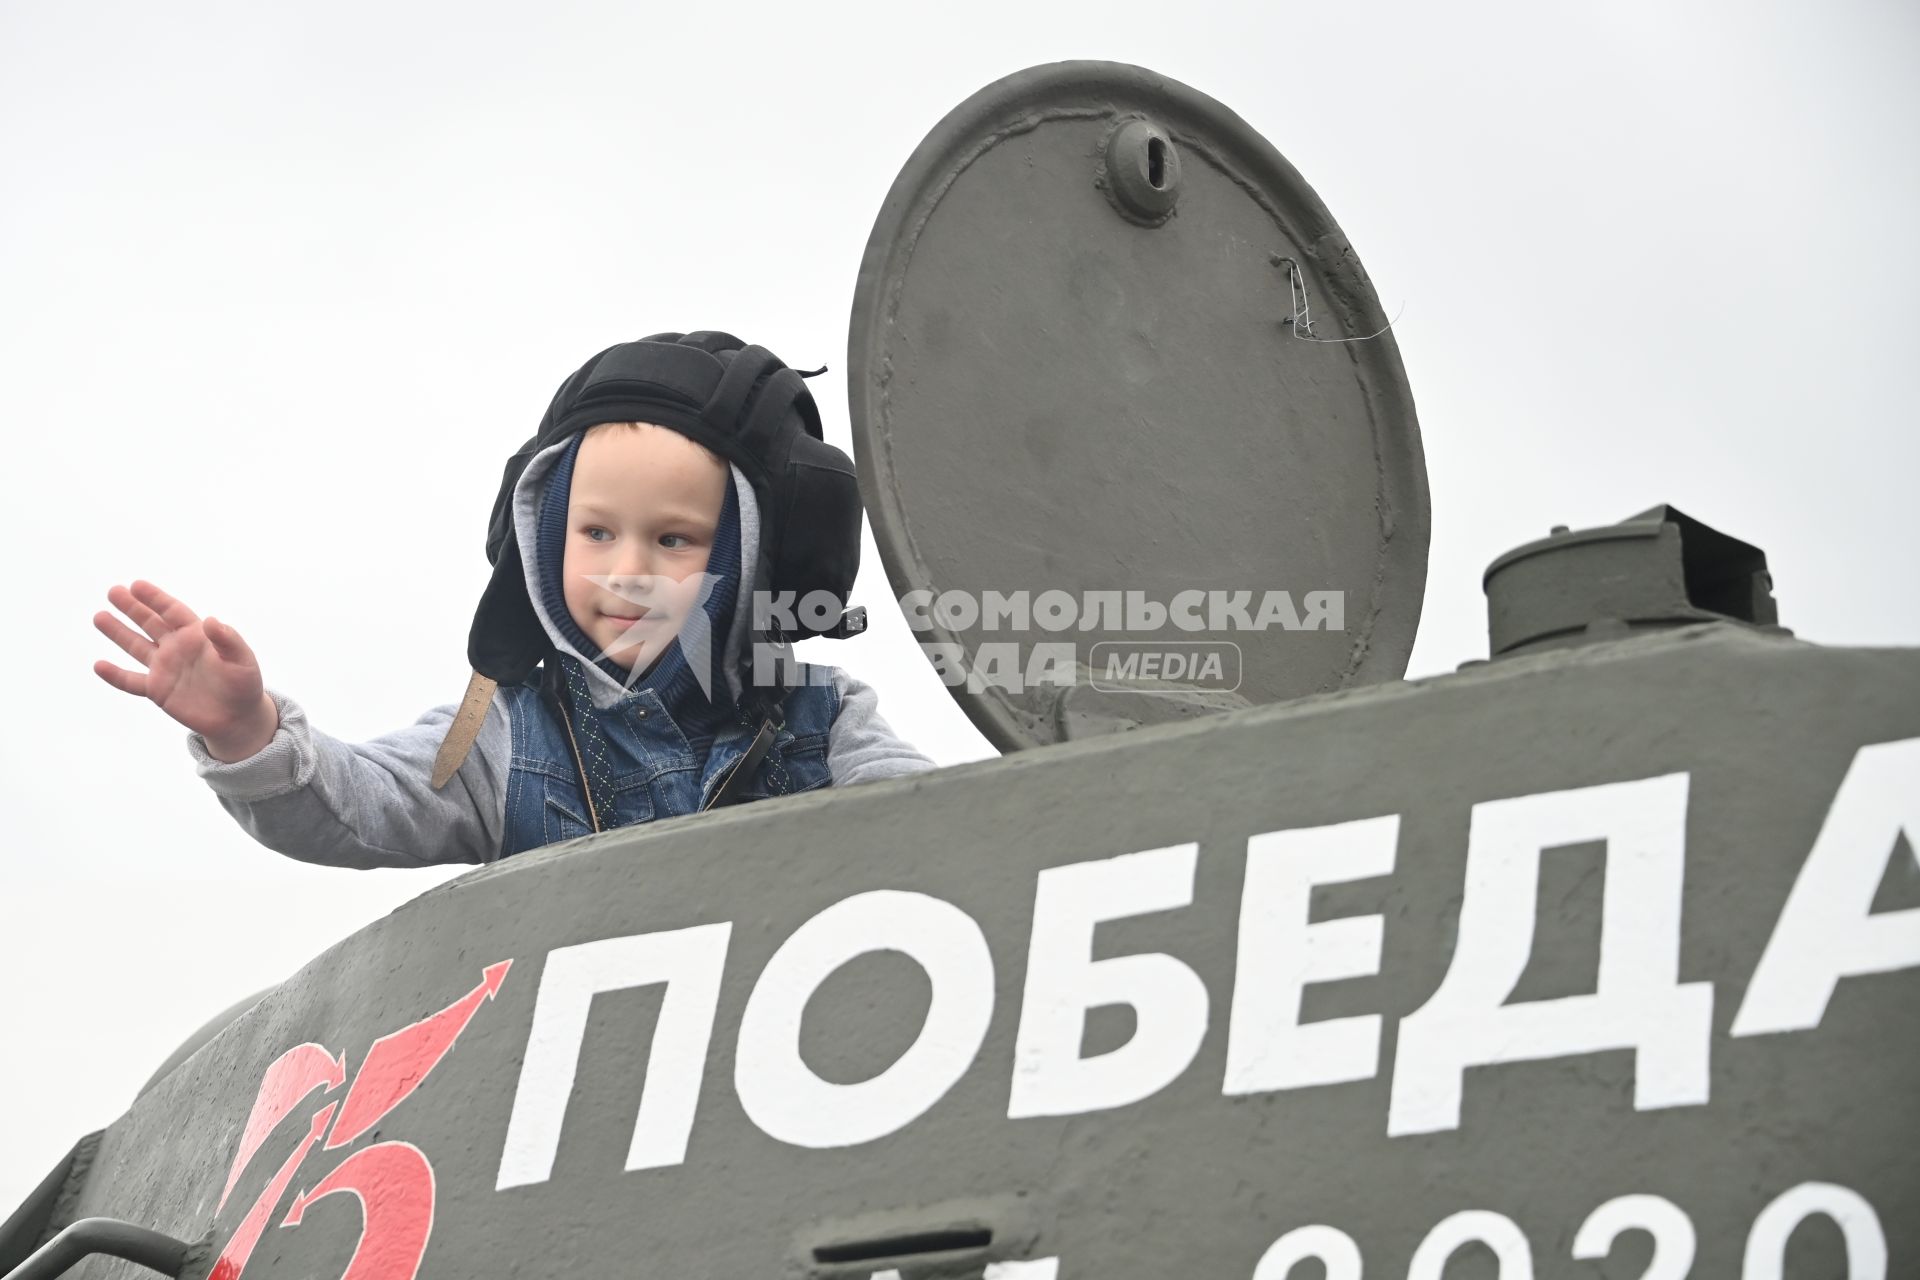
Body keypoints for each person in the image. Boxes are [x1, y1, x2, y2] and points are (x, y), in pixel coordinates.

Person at [92, 332, 937, 868]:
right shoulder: (494, 727)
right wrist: (247, 734)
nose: (626, 571)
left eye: (674, 541)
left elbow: (932, 835)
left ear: (759, 562)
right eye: (595, 533)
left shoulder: (822, 720)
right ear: (535, 538)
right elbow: (363, 807)